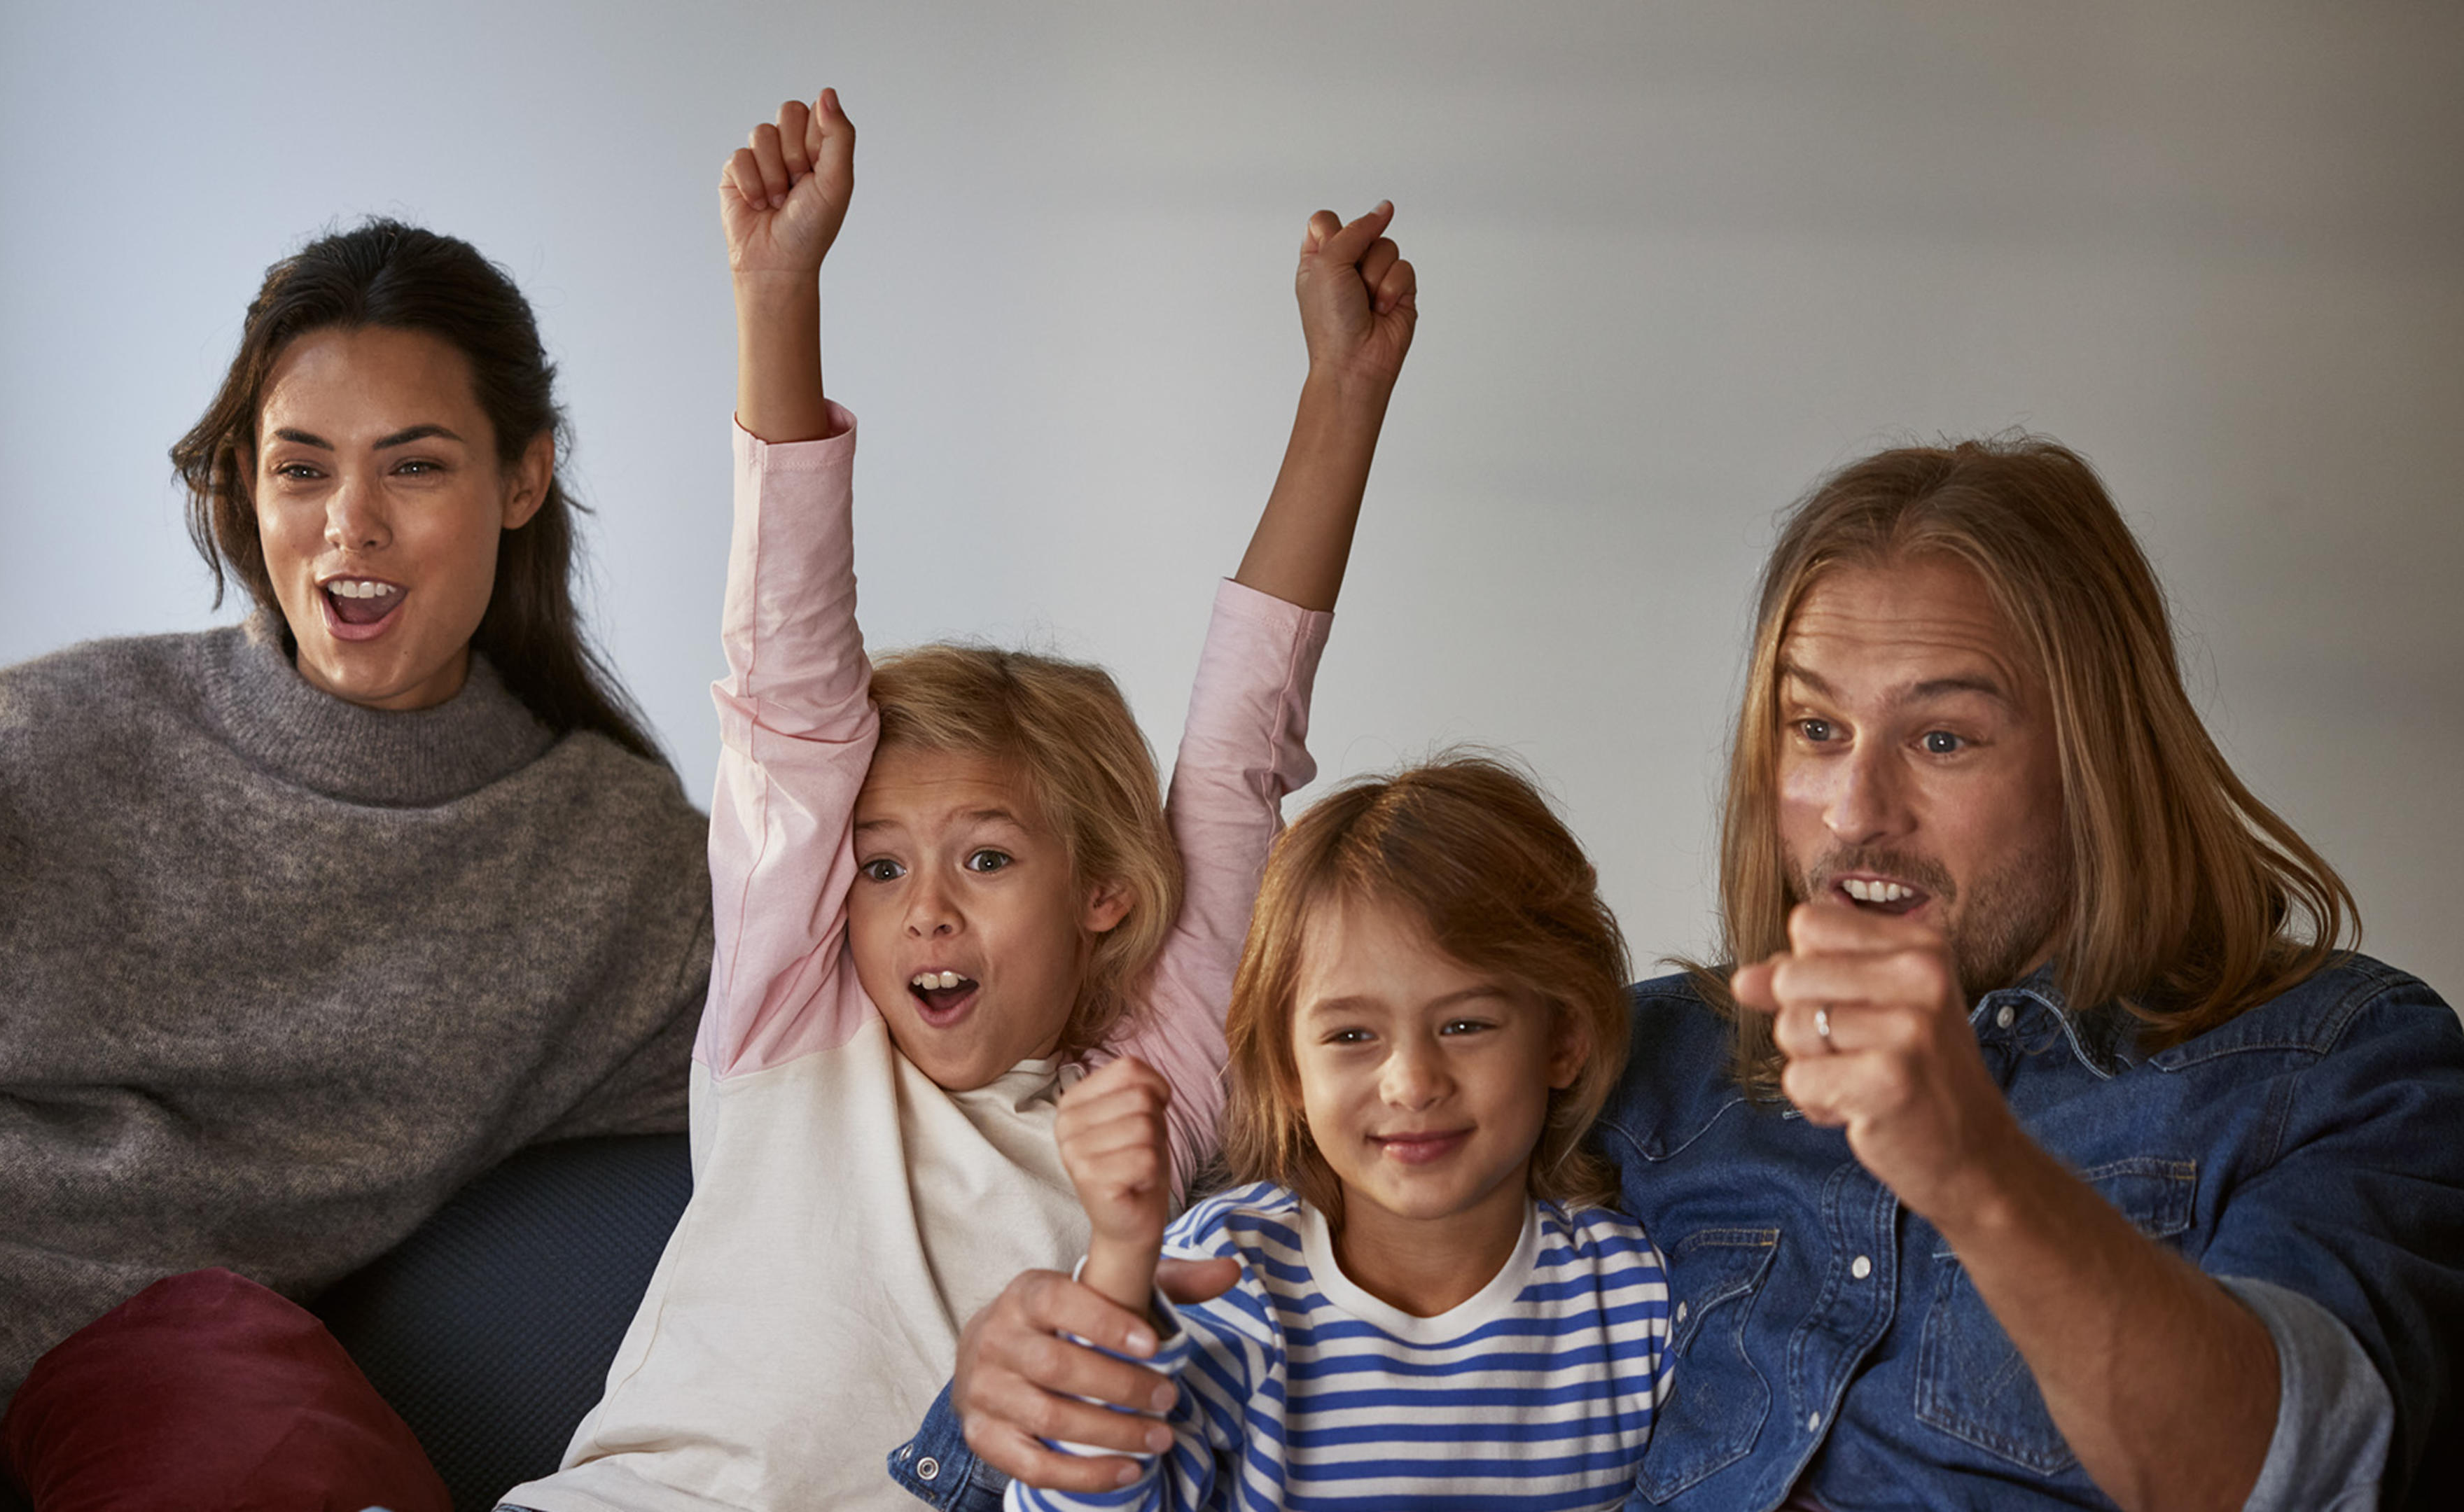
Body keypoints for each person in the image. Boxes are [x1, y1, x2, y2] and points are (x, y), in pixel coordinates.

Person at [940, 439, 2464, 1510]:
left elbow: (2284, 1481)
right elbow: (1291, 1240)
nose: (1856, 811)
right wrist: (1023, 1371)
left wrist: (1975, 1167)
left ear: (2099, 759)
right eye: (1813, 731)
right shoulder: (1643, 1065)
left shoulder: (2343, 1063)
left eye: (1941, 737)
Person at [496, 91, 1417, 1512]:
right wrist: (779, 292)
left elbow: (1242, 749)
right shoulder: (792, 1020)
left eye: (986, 858)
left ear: (1102, 889)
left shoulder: (1144, 1096)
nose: (921, 906)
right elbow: (786, 682)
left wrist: (1342, 393)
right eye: (878, 868)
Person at [0, 219, 716, 1494]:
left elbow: (858, 1026)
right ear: (245, 483)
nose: (351, 526)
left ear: (522, 481)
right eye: (303, 470)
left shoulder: (617, 867)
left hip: (165, 1374)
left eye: (414, 468)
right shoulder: (25, 744)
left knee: (240, 1372)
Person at [1010, 755, 1670, 1511]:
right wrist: (1122, 1261)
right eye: (1353, 1035)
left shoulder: (1631, 1301)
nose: (1412, 1083)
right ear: (1289, 1072)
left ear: (1563, 1041)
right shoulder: (1229, 1274)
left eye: (1465, 1025)